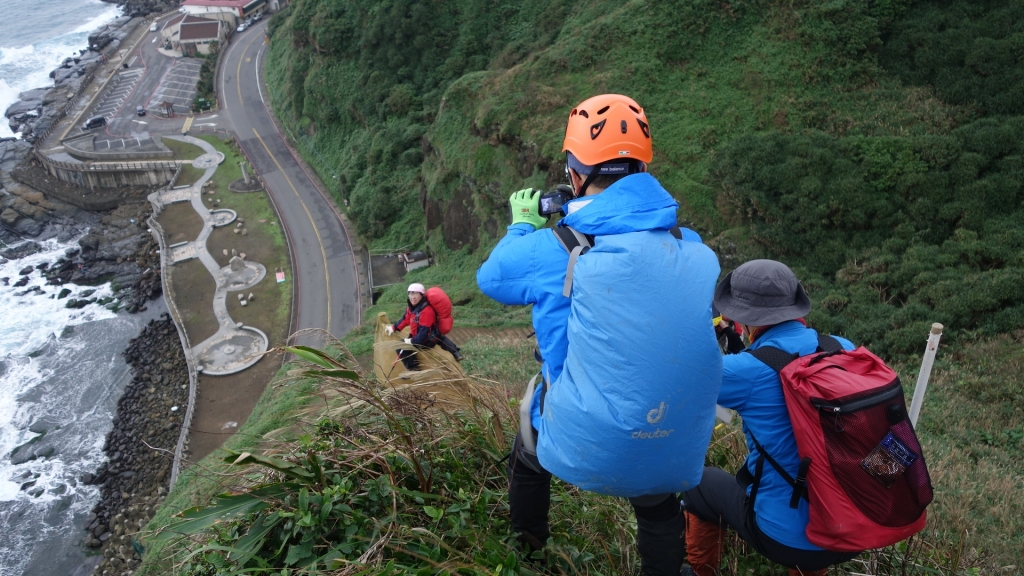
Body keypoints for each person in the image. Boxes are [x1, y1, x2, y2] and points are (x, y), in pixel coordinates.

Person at [477, 94, 722, 576]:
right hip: (673, 440)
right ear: (640, 166)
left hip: (585, 439)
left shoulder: (558, 248)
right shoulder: (689, 246)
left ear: (575, 173)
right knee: (656, 502)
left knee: (529, 433)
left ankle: (528, 555)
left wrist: (522, 226)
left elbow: (492, 279)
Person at [683, 260, 860, 576]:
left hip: (786, 538)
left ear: (742, 317)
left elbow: (682, 381)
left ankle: (701, 572)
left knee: (699, 486)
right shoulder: (842, 348)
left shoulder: (744, 373)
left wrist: (708, 337)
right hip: (855, 525)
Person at [385, 283, 437, 370]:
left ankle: (414, 369)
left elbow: (424, 333)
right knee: (404, 342)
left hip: (426, 340)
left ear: (421, 295)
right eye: (411, 293)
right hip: (417, 336)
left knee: (399, 346)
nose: (413, 297)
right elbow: (405, 319)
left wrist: (412, 341)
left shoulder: (426, 311)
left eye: (416, 294)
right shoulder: (412, 308)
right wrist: (394, 328)